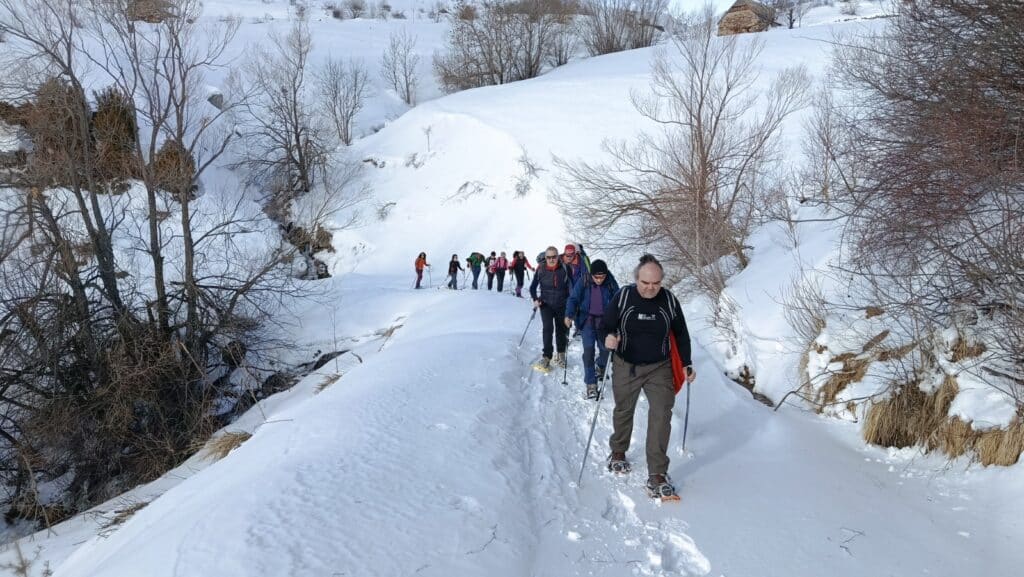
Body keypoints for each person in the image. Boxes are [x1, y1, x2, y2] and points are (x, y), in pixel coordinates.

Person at [601, 254, 696, 500]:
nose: (650, 288)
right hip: (626, 364)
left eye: (655, 283)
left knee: (661, 415)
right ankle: (618, 451)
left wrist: (686, 362)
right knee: (624, 410)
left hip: (659, 367)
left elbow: (681, 333)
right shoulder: (623, 296)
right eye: (645, 283)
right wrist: (609, 337)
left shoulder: (669, 301)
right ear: (637, 279)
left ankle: (657, 474)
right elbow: (606, 324)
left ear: (662, 281)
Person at [564, 259, 619, 400]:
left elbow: (619, 301)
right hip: (587, 321)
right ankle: (591, 384)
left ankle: (600, 366)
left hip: (605, 323)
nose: (599, 280)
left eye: (602, 277)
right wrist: (569, 315)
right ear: (591, 274)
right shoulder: (584, 281)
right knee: (588, 352)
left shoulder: (611, 282)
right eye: (597, 277)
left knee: (606, 351)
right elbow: (573, 299)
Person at [530, 246, 571, 371]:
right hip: (546, 304)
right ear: (545, 258)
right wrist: (535, 299)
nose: (552, 259)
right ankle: (547, 356)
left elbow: (572, 288)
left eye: (554, 257)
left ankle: (561, 354)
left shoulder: (565, 268)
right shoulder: (541, 269)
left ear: (558, 257)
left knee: (561, 329)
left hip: (561, 304)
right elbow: (532, 287)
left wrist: (571, 306)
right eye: (549, 257)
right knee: (547, 329)